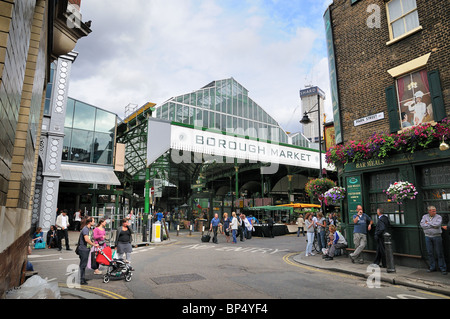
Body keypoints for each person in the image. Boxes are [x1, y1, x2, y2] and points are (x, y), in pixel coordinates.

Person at [420, 206, 447, 275]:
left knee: (439, 253)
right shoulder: (424, 216)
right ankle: (432, 267)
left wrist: (428, 223)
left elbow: (437, 225)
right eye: (433, 211)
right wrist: (432, 225)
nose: (435, 212)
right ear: (429, 211)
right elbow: (422, 225)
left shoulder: (438, 217)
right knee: (430, 253)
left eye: (435, 211)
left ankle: (443, 268)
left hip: (437, 236)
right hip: (427, 236)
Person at [77, 216, 99, 285]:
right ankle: (81, 279)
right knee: (83, 265)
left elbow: (89, 238)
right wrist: (93, 244)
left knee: (83, 264)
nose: (94, 222)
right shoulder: (85, 229)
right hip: (83, 249)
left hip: (86, 249)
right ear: (90, 222)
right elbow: (86, 239)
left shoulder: (89, 229)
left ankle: (82, 277)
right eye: (93, 221)